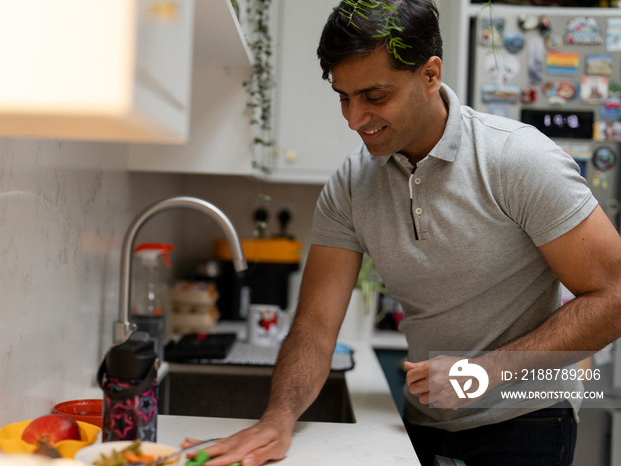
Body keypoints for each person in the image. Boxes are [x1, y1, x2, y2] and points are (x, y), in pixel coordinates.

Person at [186, 0, 621, 464]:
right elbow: (315, 325)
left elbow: (613, 295)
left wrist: (483, 373)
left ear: (430, 75)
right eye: (343, 97)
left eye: (374, 96)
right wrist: (278, 418)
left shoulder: (516, 160)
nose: (354, 119)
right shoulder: (351, 185)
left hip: (528, 420)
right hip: (423, 421)